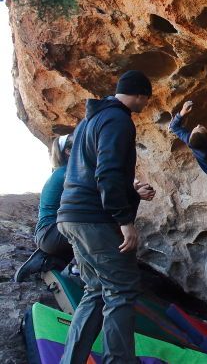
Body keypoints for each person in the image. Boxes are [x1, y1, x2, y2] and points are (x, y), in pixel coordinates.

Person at [56, 70, 155, 364]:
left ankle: (71, 360)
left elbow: (97, 169)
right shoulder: (118, 120)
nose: (145, 105)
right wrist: (125, 222)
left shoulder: (92, 119)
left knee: (96, 289)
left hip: (71, 216)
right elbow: (107, 172)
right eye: (146, 99)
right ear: (139, 94)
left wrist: (133, 189)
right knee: (122, 289)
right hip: (94, 219)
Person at [14, 134, 75, 282]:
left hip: (48, 234)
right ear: (68, 150)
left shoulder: (61, 172)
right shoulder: (68, 173)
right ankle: (75, 269)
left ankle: (50, 260)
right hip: (51, 233)